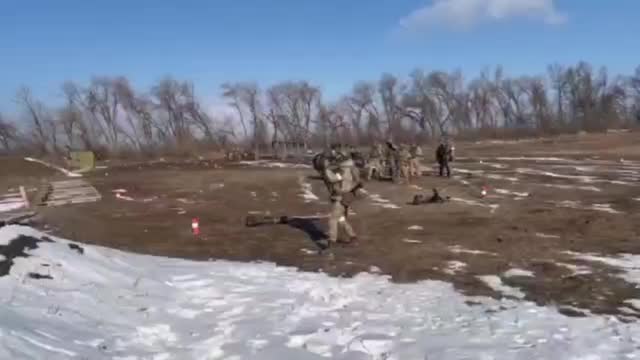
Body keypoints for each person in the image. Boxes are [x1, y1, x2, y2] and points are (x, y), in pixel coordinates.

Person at [321, 152, 362, 246]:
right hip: (345, 196)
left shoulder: (343, 169)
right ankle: (352, 236)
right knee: (341, 218)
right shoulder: (347, 168)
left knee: (332, 219)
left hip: (342, 197)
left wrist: (327, 171)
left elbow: (335, 181)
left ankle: (332, 240)